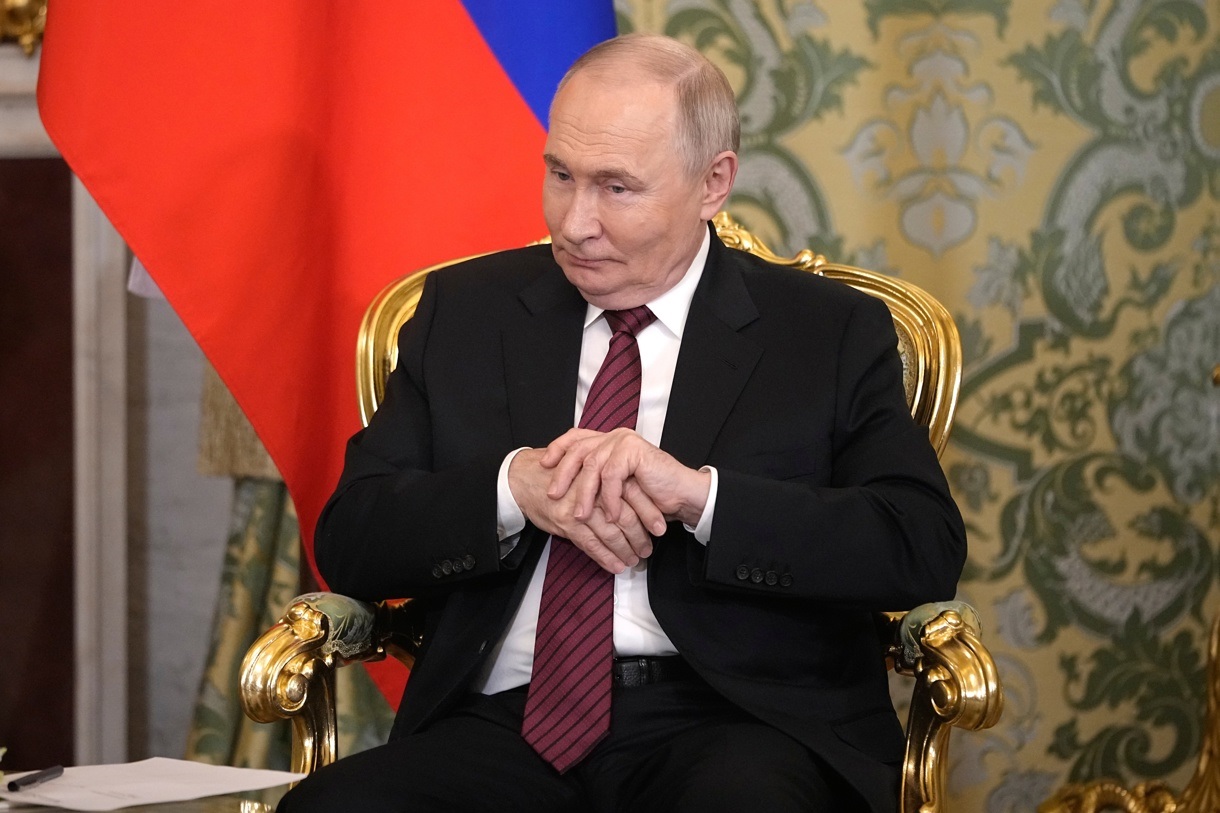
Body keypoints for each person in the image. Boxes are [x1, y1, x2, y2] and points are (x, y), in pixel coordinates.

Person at [279, 33, 966, 813]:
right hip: (503, 723)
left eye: (617, 188)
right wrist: (512, 490)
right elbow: (353, 541)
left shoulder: (825, 332)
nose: (575, 223)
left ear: (714, 183)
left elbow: (919, 545)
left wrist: (699, 498)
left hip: (737, 721)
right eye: (560, 176)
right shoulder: (465, 313)